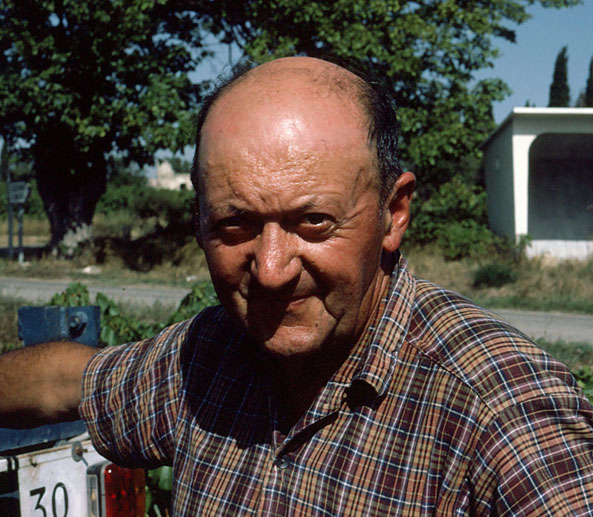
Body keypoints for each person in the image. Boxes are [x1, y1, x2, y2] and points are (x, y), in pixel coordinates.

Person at [2, 56, 593, 515]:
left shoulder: (502, 415)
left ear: (394, 212)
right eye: (236, 225)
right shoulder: (208, 359)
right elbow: (66, 382)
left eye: (313, 222)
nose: (272, 269)